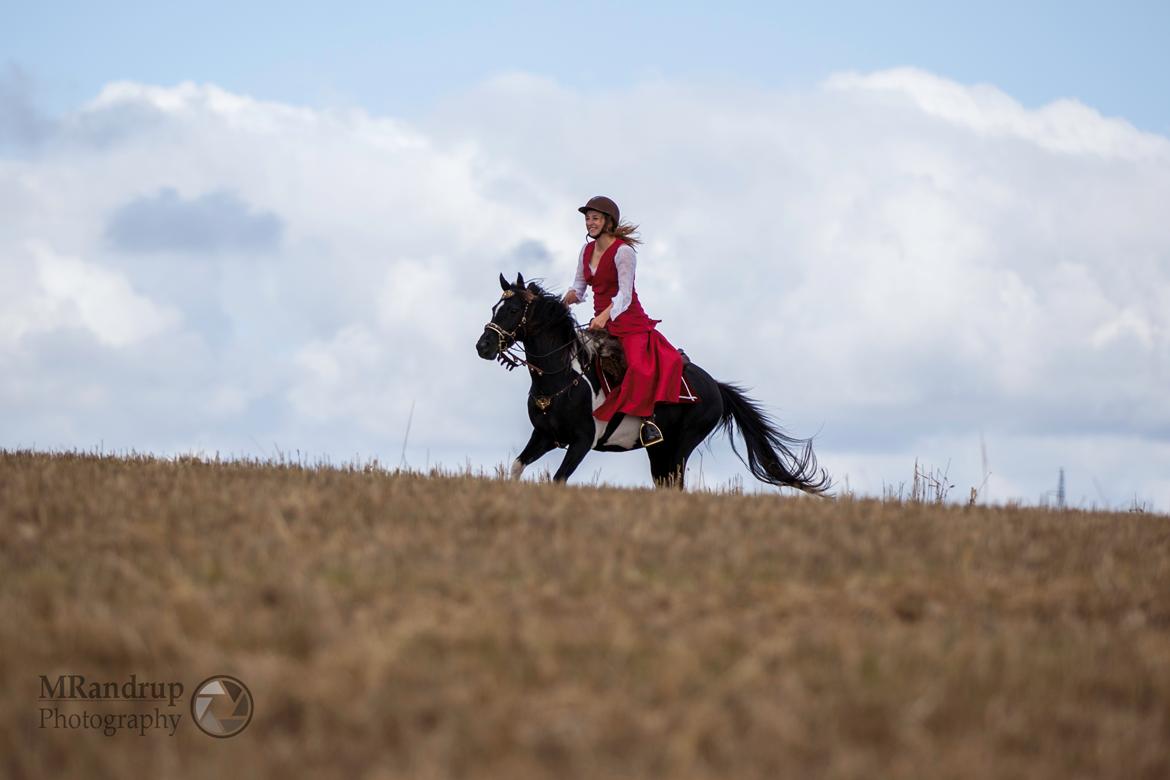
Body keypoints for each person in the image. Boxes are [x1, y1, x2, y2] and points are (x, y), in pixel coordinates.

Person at [562, 196, 686, 447]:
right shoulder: (586, 251)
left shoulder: (624, 252)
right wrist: (566, 299)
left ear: (608, 222)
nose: (589, 223)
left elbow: (625, 295)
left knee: (638, 367)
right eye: (587, 219)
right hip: (601, 323)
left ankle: (648, 421)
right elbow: (580, 287)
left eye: (595, 218)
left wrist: (605, 316)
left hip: (629, 322)